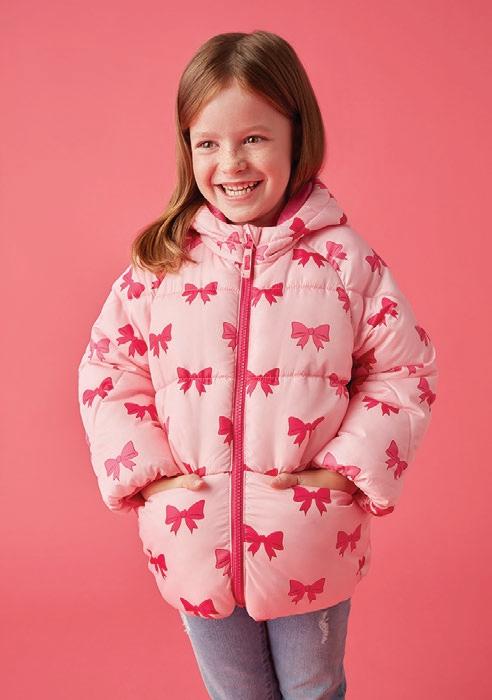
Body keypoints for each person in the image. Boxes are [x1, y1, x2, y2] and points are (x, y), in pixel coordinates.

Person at [77, 30, 438, 700]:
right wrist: (153, 481)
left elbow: (403, 370)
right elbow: (109, 372)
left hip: (308, 532)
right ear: (187, 147)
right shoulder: (162, 265)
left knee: (313, 687)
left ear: (298, 135)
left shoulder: (345, 260)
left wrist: (344, 471)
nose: (231, 163)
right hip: (192, 535)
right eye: (208, 143)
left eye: (253, 138)